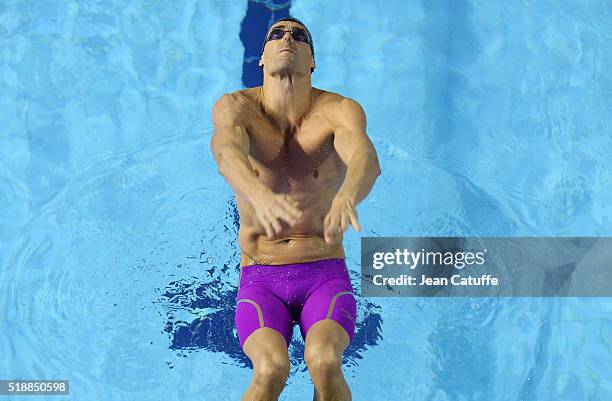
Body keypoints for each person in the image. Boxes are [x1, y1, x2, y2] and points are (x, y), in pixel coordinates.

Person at [210, 16, 381, 401]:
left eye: (299, 36)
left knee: (323, 360)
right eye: (277, 34)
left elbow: (366, 159)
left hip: (324, 271)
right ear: (262, 58)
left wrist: (347, 196)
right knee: (270, 369)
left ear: (312, 61)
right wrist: (258, 192)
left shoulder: (338, 110)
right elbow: (225, 153)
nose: (287, 38)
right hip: (260, 274)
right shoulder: (236, 108)